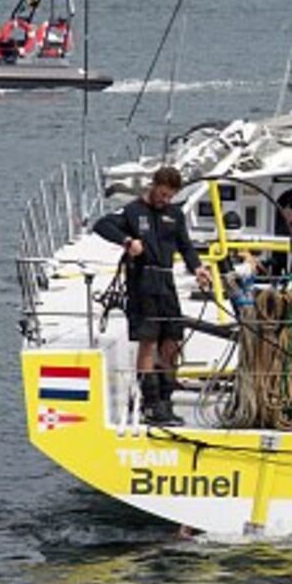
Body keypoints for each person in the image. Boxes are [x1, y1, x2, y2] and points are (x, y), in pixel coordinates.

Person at [92, 166, 213, 426]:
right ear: (154, 186)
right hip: (142, 282)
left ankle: (166, 399)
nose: (165, 200)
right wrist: (127, 241)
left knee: (172, 340)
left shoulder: (174, 214)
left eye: (170, 196)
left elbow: (186, 246)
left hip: (166, 282)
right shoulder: (133, 211)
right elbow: (101, 225)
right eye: (162, 194)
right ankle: (150, 403)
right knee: (148, 341)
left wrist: (198, 269)